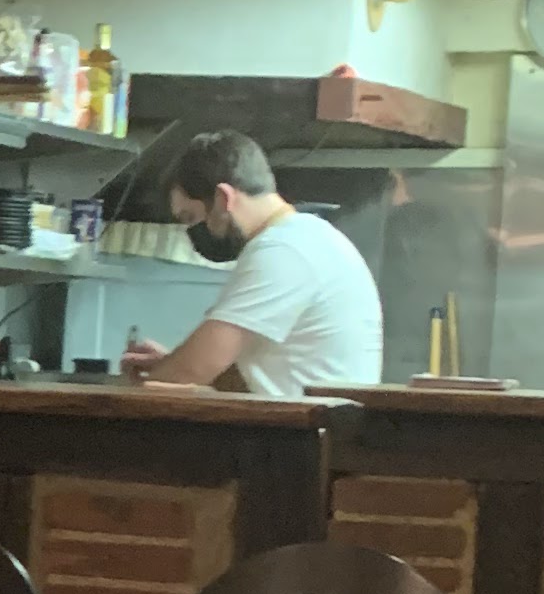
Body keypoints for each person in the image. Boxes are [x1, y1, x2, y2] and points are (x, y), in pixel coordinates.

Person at [121, 128, 384, 399]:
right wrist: (170, 362)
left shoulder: (283, 250)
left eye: (191, 217)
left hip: (310, 424)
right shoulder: (306, 237)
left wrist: (153, 382)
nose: (193, 232)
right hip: (314, 419)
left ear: (223, 199)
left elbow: (193, 369)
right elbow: (246, 375)